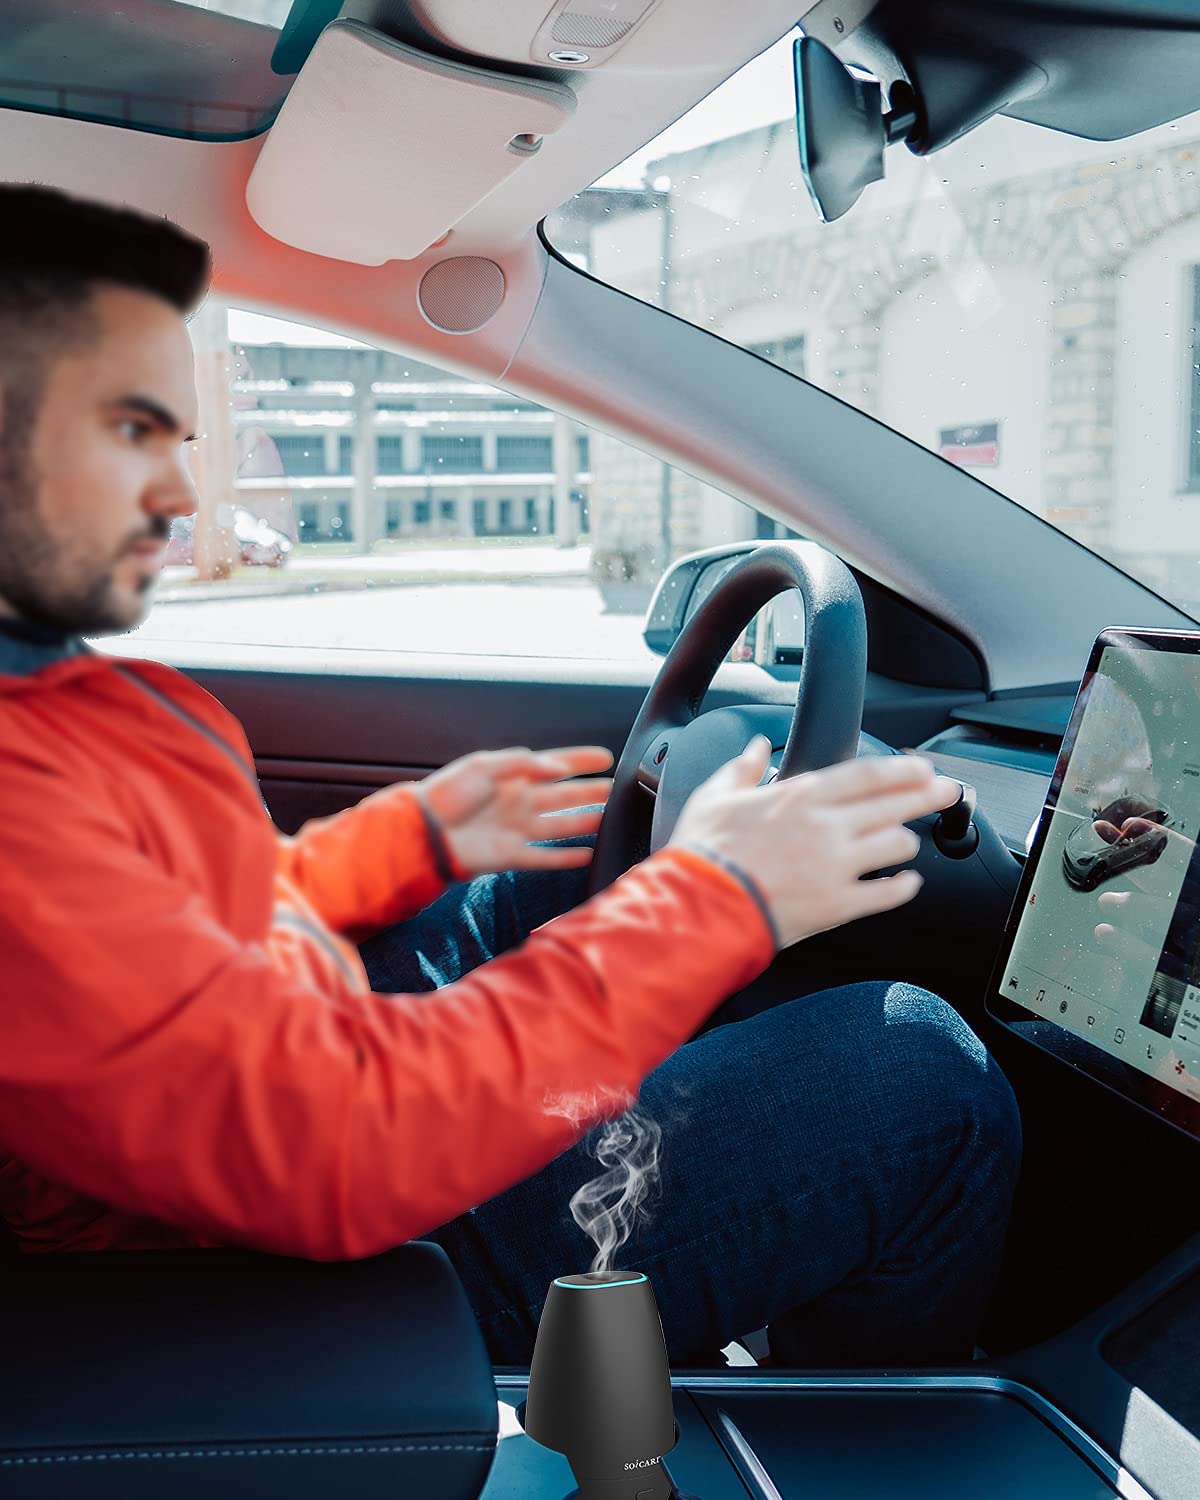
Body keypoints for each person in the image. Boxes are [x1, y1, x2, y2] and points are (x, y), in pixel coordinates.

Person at [0, 183, 1021, 1371]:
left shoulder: (55, 696)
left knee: (545, 880)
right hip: (294, 1269)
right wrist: (718, 901)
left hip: (265, 1086)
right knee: (914, 1072)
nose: (180, 496)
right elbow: (336, 1150)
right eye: (129, 434)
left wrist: (416, 843)